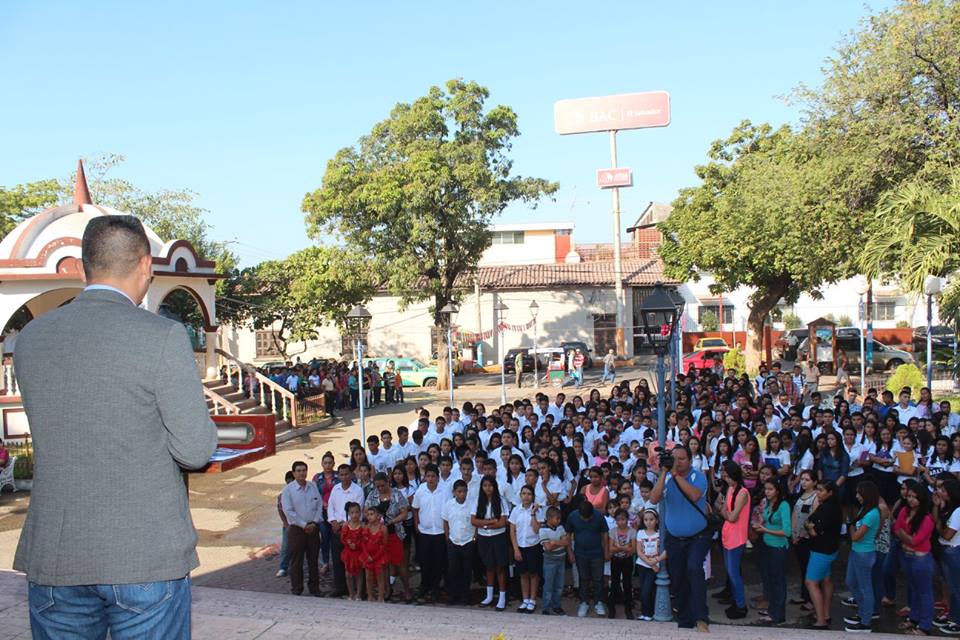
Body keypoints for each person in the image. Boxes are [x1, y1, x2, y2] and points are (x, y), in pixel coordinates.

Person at [13, 215, 218, 638]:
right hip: (143, 555)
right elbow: (195, 449)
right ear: (146, 266)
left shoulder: (32, 338)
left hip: (55, 553)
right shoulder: (161, 336)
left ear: (85, 266)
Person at [651, 445, 711, 632]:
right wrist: (664, 472)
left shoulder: (698, 476)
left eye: (682, 459)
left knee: (694, 569)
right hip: (674, 538)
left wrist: (675, 475)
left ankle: (701, 617)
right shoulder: (667, 476)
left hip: (697, 537)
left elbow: (694, 495)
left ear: (690, 460)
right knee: (678, 578)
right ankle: (685, 620)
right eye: (674, 458)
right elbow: (654, 499)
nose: (678, 462)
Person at [894, 481, 935, 636]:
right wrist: (907, 537)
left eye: (914, 497)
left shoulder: (927, 518)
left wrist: (905, 536)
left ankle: (925, 626)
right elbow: (896, 528)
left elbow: (915, 540)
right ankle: (914, 618)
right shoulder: (905, 510)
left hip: (920, 559)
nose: (910, 499)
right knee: (914, 588)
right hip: (907, 556)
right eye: (909, 496)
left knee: (924, 592)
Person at [365, 471, 412, 602]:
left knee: (399, 563)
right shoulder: (373, 495)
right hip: (378, 534)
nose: (380, 489)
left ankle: (406, 589)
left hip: (394, 532)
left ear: (388, 482)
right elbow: (366, 511)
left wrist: (392, 521)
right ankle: (386, 589)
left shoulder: (396, 494)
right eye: (378, 486)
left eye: (382, 486)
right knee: (383, 564)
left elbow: (404, 512)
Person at [843, 480, 881, 633]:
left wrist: (850, 525)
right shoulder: (865, 510)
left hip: (864, 553)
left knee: (865, 587)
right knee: (851, 582)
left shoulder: (872, 514)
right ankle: (862, 611)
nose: (857, 496)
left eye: (860, 493)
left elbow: (856, 536)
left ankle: (866, 621)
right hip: (856, 552)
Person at [804, 480, 843, 629]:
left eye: (821, 490)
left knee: (811, 582)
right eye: (817, 490)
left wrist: (809, 527)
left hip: (821, 551)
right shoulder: (832, 507)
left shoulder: (827, 509)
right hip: (830, 549)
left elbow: (814, 530)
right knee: (826, 580)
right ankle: (825, 614)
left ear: (830, 493)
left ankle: (820, 620)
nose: (818, 493)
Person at [281, 461, 324, 596]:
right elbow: (289, 511)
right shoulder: (288, 490)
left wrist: (314, 522)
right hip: (297, 530)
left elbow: (319, 505)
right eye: (298, 471)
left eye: (304, 470)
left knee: (313, 560)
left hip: (313, 527)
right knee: (296, 561)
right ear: (293, 473)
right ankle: (297, 589)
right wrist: (304, 525)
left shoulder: (313, 486)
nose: (302, 473)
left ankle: (315, 588)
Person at [754, 478, 791, 625]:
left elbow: (787, 531)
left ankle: (778, 614)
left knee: (778, 581)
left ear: (778, 490)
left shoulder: (784, 505)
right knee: (770, 578)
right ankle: (772, 610)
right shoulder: (769, 503)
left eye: (770, 489)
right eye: (766, 489)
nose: (767, 492)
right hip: (767, 545)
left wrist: (765, 530)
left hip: (778, 548)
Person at [718, 460, 750, 619]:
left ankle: (741, 605)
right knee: (731, 572)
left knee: (734, 572)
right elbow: (725, 511)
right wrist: (725, 513)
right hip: (728, 534)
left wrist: (725, 512)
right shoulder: (731, 488)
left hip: (736, 537)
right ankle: (737, 601)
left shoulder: (743, 492)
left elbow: (731, 515)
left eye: (728, 476)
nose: (725, 478)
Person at [473, 475, 510, 611]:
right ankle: (489, 596)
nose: (487, 488)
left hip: (498, 538)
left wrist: (485, 525)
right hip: (484, 538)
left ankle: (502, 597)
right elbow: (474, 521)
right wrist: (490, 522)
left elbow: (502, 522)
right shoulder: (478, 501)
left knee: (500, 567)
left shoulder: (501, 501)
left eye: (490, 485)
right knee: (489, 567)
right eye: (485, 485)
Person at [566, 500, 609, 618]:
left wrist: (606, 551)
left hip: (597, 553)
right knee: (583, 578)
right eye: (583, 518)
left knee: (598, 578)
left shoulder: (599, 516)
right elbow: (568, 535)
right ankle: (583, 602)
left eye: (588, 518)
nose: (585, 520)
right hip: (580, 553)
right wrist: (570, 552)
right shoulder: (572, 516)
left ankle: (598, 602)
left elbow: (605, 534)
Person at [328, 464, 365, 598]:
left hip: (353, 530)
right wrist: (333, 521)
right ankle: (340, 587)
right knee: (338, 560)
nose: (344, 477)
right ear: (338, 475)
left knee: (356, 561)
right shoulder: (335, 489)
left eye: (346, 474)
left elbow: (357, 510)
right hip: (336, 529)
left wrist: (344, 524)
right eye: (341, 474)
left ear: (351, 474)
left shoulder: (358, 491)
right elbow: (330, 507)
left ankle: (359, 590)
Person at [412, 464, 447, 604]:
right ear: (424, 477)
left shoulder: (444, 491)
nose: (431, 479)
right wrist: (417, 526)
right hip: (425, 531)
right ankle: (424, 585)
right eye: (428, 476)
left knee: (438, 562)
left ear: (438, 477)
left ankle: (435, 587)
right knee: (425, 561)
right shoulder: (420, 491)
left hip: (439, 531)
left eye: (433, 476)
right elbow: (415, 509)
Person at [508, 484, 542, 613]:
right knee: (523, 574)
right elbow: (512, 530)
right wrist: (516, 549)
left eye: (529, 494)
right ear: (520, 495)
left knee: (533, 574)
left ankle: (532, 600)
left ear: (532, 496)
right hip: (520, 547)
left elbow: (537, 529)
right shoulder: (516, 510)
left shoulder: (537, 510)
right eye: (523, 494)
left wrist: (533, 514)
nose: (526, 496)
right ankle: (525, 599)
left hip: (533, 546)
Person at [443, 480, 476, 606]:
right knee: (453, 569)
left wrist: (474, 538)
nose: (462, 494)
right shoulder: (448, 505)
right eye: (459, 491)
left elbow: (475, 522)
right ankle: (453, 594)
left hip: (468, 541)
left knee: (466, 569)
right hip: (453, 540)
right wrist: (447, 538)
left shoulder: (472, 505)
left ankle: (465, 594)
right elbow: (445, 521)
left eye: (464, 491)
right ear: (454, 492)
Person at [635, 508, 664, 622]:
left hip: (655, 566)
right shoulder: (640, 533)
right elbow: (639, 551)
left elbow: (665, 551)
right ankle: (644, 612)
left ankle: (649, 612)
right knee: (643, 590)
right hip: (643, 565)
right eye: (646, 520)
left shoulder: (660, 534)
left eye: (651, 519)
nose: (649, 522)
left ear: (656, 520)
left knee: (649, 590)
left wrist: (656, 561)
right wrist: (650, 563)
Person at [539, 506, 569, 616]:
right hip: (549, 561)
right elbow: (547, 548)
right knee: (548, 585)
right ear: (549, 518)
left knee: (559, 585)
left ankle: (557, 606)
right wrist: (559, 542)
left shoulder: (560, 527)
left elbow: (566, 542)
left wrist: (554, 542)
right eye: (557, 518)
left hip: (561, 559)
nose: (559, 521)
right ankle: (545, 608)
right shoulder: (543, 529)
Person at [607, 508, 636, 620]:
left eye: (623, 519)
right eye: (618, 520)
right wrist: (625, 548)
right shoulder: (613, 531)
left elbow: (633, 550)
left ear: (627, 520)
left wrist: (618, 547)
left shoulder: (632, 531)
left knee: (627, 584)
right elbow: (611, 548)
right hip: (616, 560)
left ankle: (628, 609)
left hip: (627, 561)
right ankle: (612, 608)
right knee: (614, 584)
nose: (621, 522)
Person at [339, 502, 366, 601]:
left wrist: (357, 544)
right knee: (348, 574)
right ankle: (351, 593)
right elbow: (342, 538)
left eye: (357, 512)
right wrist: (348, 542)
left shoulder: (362, 526)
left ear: (360, 513)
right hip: (348, 552)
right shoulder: (346, 525)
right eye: (352, 513)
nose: (355, 515)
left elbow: (364, 539)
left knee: (359, 573)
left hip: (358, 553)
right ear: (349, 514)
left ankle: (359, 594)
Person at [363, 505, 388, 602]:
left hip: (379, 556)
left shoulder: (383, 528)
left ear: (378, 516)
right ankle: (370, 596)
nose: (369, 516)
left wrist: (375, 557)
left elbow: (384, 545)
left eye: (372, 514)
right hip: (368, 556)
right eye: (368, 514)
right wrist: (367, 555)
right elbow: (363, 543)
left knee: (380, 576)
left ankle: (381, 596)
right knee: (368, 576)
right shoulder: (366, 527)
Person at [276, 470, 296, 578]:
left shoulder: (300, 492)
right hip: (288, 524)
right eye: (288, 482)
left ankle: (322, 564)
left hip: (300, 524)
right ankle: (283, 567)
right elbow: (280, 510)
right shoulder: (282, 496)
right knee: (286, 546)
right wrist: (285, 524)